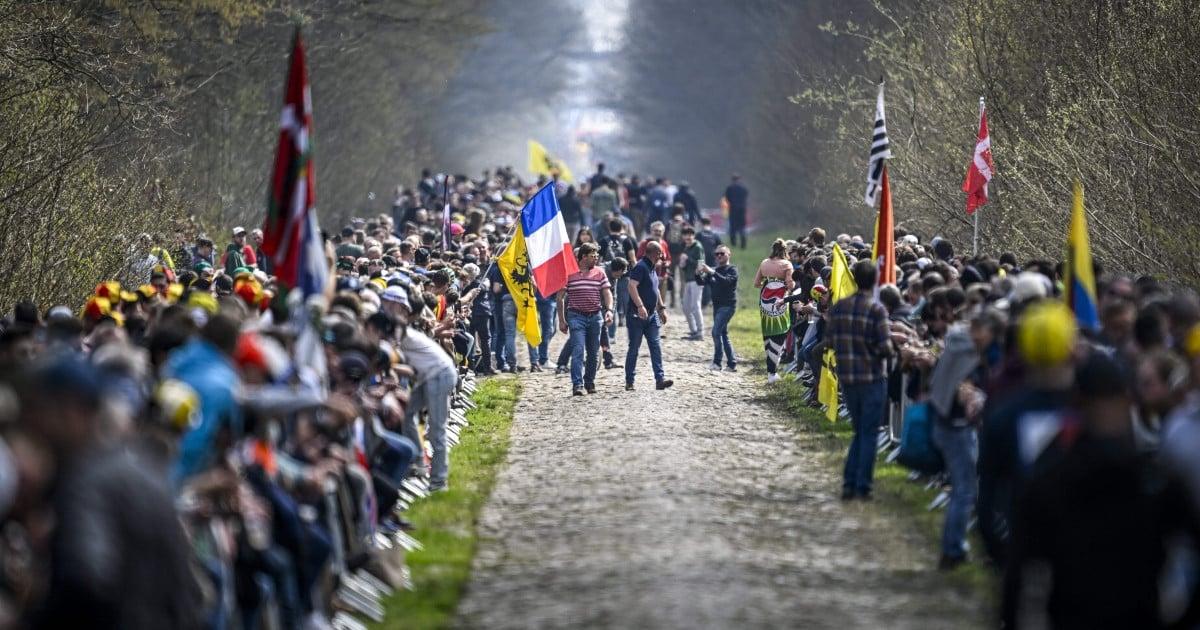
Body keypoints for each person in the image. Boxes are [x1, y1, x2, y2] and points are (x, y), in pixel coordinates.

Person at [826, 259, 894, 500]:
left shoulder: (839, 307)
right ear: (875, 280)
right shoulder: (877, 310)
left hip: (847, 377)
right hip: (872, 377)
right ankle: (862, 484)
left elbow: (829, 341)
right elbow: (886, 347)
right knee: (868, 433)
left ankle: (849, 482)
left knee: (859, 431)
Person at [557, 243, 613, 395]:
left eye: (596, 256)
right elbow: (560, 297)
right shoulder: (569, 273)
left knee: (594, 352)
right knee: (578, 350)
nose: (596, 259)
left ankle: (589, 382)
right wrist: (562, 320)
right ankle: (577, 385)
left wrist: (609, 310)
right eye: (593, 256)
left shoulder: (600, 272)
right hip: (576, 316)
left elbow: (607, 293)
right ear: (583, 257)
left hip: (595, 316)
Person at [625, 240, 672, 391]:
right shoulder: (640, 267)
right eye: (661, 254)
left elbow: (656, 288)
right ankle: (630, 381)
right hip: (636, 316)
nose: (662, 257)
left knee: (656, 345)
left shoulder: (653, 268)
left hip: (652, 316)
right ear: (656, 253)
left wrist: (662, 308)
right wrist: (640, 306)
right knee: (634, 348)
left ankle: (660, 379)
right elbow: (631, 286)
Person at [754, 239, 795, 384]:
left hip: (764, 299)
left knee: (768, 331)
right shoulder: (787, 265)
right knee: (781, 330)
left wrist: (769, 283)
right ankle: (772, 371)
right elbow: (790, 285)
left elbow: (756, 283)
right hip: (780, 301)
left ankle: (771, 369)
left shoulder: (764, 263)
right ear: (785, 250)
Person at [699, 245, 738, 371]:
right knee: (723, 333)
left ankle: (717, 362)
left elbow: (727, 282)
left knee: (715, 332)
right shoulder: (714, 270)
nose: (719, 256)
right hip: (717, 306)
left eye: (722, 253)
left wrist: (712, 272)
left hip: (728, 306)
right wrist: (698, 273)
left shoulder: (732, 269)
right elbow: (701, 282)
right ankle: (731, 363)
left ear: (729, 254)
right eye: (717, 254)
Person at [678, 226, 706, 340]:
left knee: (695, 306)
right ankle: (693, 330)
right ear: (683, 236)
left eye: (690, 235)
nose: (688, 237)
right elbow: (685, 266)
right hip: (689, 280)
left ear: (693, 236)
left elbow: (700, 264)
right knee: (685, 307)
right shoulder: (686, 248)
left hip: (697, 279)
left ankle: (700, 332)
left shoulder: (697, 247)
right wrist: (683, 264)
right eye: (686, 235)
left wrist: (688, 259)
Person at [724, 174, 749, 249]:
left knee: (733, 227)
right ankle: (743, 243)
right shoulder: (743, 188)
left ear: (732, 180)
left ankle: (733, 243)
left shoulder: (729, 188)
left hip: (733, 209)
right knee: (742, 226)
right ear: (739, 179)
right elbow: (746, 196)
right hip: (742, 209)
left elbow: (727, 198)